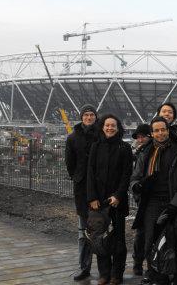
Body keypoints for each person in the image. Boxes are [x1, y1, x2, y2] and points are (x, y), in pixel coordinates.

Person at [130, 117, 177, 284]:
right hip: (152, 203)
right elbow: (135, 177)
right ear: (152, 133)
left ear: (168, 129)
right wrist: (138, 186)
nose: (160, 133)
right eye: (156, 130)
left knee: (176, 240)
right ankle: (156, 275)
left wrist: (175, 205)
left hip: (173, 202)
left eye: (163, 129)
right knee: (151, 239)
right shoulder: (146, 152)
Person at [86, 114, 133, 285]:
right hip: (98, 202)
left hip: (117, 203)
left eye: (113, 125)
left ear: (118, 128)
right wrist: (91, 197)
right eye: (107, 125)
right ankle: (104, 273)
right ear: (102, 127)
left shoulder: (125, 148)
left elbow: (126, 175)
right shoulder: (95, 147)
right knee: (100, 239)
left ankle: (117, 274)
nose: (110, 128)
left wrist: (118, 195)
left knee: (118, 239)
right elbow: (90, 172)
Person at [65, 104, 99, 281]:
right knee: (83, 231)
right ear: (81, 117)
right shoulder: (72, 138)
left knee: (102, 230)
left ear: (96, 117)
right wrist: (78, 177)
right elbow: (69, 164)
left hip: (100, 189)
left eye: (91, 114)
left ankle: (105, 269)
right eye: (85, 114)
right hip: (81, 189)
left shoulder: (102, 135)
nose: (88, 117)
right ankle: (84, 266)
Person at [130, 123, 152, 276]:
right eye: (138, 137)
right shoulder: (139, 151)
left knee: (144, 232)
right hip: (142, 198)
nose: (139, 139)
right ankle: (139, 262)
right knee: (142, 232)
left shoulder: (152, 150)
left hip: (152, 197)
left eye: (142, 136)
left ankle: (144, 263)